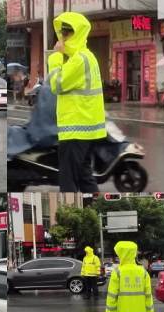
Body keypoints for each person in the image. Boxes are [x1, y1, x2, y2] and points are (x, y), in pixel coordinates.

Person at [47, 12, 106, 192]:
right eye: (62, 33)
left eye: (67, 33)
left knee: (68, 180)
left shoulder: (79, 59)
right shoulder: (87, 57)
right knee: (84, 175)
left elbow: (56, 84)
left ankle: (71, 207)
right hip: (86, 128)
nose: (63, 37)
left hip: (75, 128)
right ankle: (95, 205)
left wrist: (55, 57)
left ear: (78, 33)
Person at [105, 241, 154, 312]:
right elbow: (148, 297)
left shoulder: (117, 272)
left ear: (122, 254)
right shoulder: (143, 272)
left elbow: (112, 298)